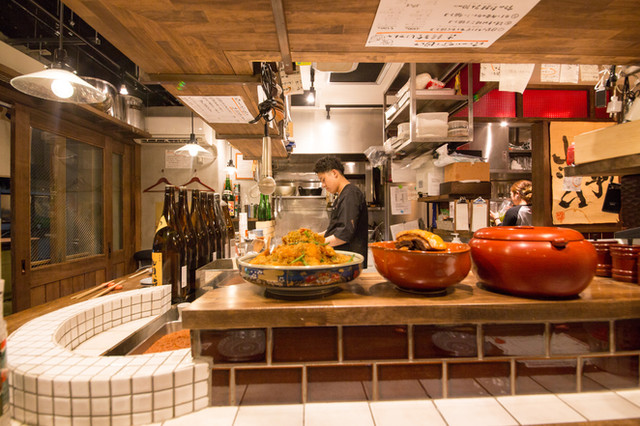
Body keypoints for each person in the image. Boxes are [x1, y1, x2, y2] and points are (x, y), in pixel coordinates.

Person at [314, 156, 368, 267]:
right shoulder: (342, 196)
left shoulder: (350, 194)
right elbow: (335, 229)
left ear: (334, 173)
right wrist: (315, 237)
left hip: (349, 262)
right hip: (343, 261)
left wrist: (316, 245)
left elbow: (343, 234)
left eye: (323, 179)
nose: (323, 185)